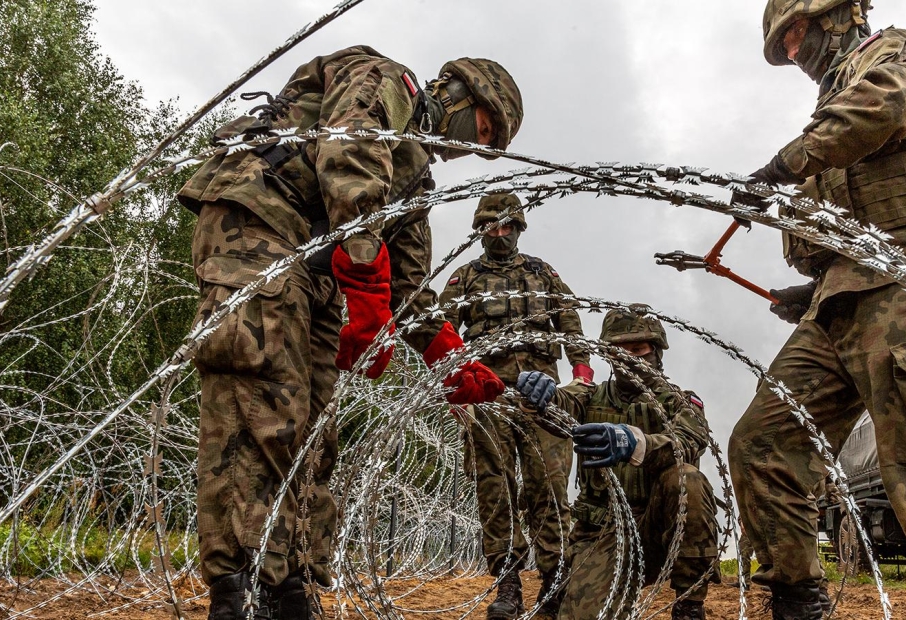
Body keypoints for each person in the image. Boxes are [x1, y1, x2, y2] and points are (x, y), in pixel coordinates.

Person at [176, 46, 523, 620]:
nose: (473, 148)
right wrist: (363, 271)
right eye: (481, 132)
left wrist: (452, 358)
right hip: (260, 226)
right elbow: (350, 143)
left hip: (316, 274)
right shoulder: (387, 81)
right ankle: (239, 590)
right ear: (459, 94)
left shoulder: (414, 182)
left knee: (314, 430)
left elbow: (409, 288)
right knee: (261, 399)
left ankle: (291, 585)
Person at [727, 2, 906, 618]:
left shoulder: (899, 56)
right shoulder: (832, 106)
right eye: (782, 48)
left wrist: (785, 164)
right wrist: (813, 289)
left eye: (793, 37)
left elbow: (889, 106)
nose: (791, 56)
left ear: (836, 15)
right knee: (764, 443)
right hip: (841, 302)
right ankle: (799, 601)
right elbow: (854, 221)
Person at [439, 191, 593, 619]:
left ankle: (555, 578)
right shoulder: (464, 278)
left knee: (548, 485)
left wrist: (581, 376)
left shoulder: (543, 273)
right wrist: (453, 390)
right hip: (488, 395)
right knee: (495, 487)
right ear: (481, 230)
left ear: (520, 228)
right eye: (492, 227)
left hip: (541, 394)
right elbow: (443, 335)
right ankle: (507, 584)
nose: (501, 235)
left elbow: (570, 322)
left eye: (508, 227)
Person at [515, 305, 717, 620]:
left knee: (687, 478)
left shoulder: (678, 402)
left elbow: (689, 441)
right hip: (603, 532)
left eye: (637, 349)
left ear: (655, 352)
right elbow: (562, 407)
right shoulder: (590, 397)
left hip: (659, 531)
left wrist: (636, 443)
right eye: (619, 350)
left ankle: (689, 603)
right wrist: (539, 395)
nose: (629, 358)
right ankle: (568, 581)